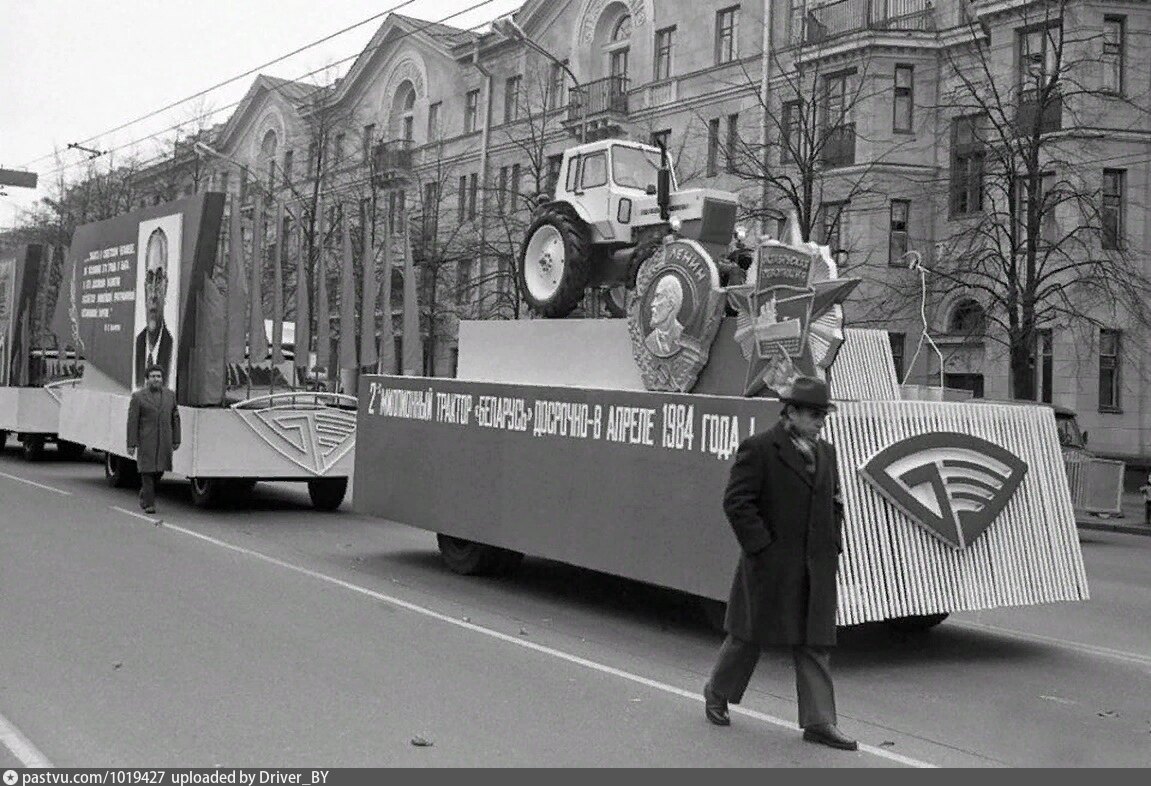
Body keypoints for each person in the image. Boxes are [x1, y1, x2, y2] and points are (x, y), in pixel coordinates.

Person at [703, 376, 857, 751]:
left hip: (815, 567)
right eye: (815, 415)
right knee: (749, 636)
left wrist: (833, 544)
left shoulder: (827, 454)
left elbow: (835, 502)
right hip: (771, 565)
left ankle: (819, 722)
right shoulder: (759, 449)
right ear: (791, 413)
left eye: (824, 415)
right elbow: (737, 503)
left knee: (814, 642)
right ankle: (717, 691)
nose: (821, 422)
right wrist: (762, 549)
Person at [127, 364, 181, 515]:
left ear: (162, 379)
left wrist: (176, 439)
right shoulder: (138, 397)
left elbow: (175, 418)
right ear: (147, 379)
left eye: (158, 376)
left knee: (159, 471)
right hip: (146, 441)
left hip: (164, 440)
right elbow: (132, 422)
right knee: (147, 472)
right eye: (153, 376)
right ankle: (149, 504)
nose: (156, 379)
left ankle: (144, 493)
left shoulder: (170, 395)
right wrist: (131, 444)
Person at [134, 227, 174, 389]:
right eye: (150, 278)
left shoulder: (171, 346)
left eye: (159, 278)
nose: (153, 294)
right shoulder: (138, 344)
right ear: (144, 286)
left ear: (166, 285)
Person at [645, 274, 685, 357]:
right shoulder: (648, 341)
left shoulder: (685, 337)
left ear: (670, 304)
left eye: (658, 297)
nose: (652, 304)